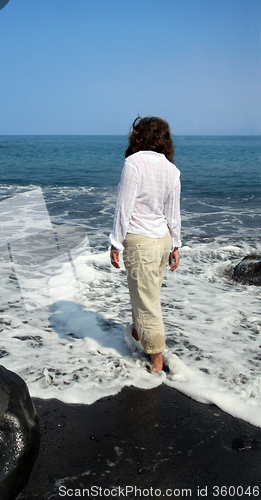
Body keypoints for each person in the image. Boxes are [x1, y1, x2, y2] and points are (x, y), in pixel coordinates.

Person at [109, 116, 181, 372]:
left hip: (140, 241)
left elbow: (123, 206)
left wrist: (115, 242)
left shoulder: (133, 163)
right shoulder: (172, 169)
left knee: (148, 300)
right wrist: (175, 245)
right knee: (146, 295)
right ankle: (139, 336)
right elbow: (173, 213)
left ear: (138, 137)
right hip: (162, 240)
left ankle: (157, 362)